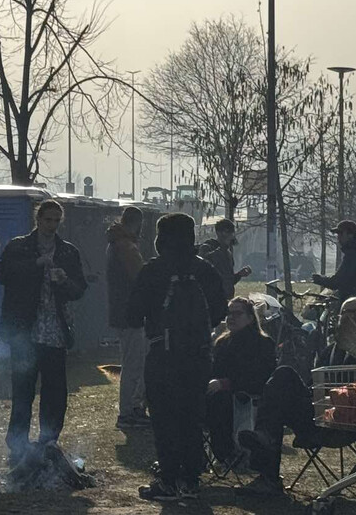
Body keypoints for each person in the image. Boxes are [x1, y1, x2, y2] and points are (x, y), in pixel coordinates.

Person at [127, 213, 226, 501]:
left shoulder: (153, 270)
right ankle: (191, 480)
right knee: (192, 418)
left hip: (163, 354)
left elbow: (132, 315)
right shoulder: (204, 269)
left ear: (161, 239)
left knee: (164, 419)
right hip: (199, 357)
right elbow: (219, 310)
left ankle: (168, 479)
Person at [238, 297, 356, 496]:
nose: (350, 317)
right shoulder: (330, 351)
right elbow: (314, 385)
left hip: (354, 418)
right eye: (345, 313)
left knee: (280, 395)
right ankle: (266, 462)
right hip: (319, 415)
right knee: (283, 377)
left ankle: (267, 468)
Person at [0, 199, 87, 467]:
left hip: (55, 330)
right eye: (48, 220)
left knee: (56, 390)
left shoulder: (68, 252)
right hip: (25, 330)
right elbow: (3, 274)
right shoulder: (19, 246)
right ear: (38, 220)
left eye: (57, 221)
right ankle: (18, 442)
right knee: (23, 388)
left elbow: (79, 289)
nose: (52, 225)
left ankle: (49, 439)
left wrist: (64, 281)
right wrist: (36, 264)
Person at [205, 297, 277, 470]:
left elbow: (260, 378)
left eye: (237, 313)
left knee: (219, 400)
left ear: (251, 318)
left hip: (247, 399)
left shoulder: (263, 343)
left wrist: (226, 384)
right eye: (228, 313)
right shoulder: (222, 343)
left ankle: (227, 454)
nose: (231, 318)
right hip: (217, 394)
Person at [106, 206, 150, 429]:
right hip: (131, 313)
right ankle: (129, 411)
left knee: (131, 362)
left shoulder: (115, 244)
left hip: (121, 312)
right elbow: (140, 277)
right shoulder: (126, 246)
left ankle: (131, 409)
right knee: (134, 365)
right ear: (138, 223)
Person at [311, 220, 356, 302]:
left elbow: (337, 281)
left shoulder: (353, 254)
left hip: (352, 300)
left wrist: (319, 279)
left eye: (341, 234)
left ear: (350, 235)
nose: (338, 238)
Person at [198, 218, 252, 300]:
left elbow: (229, 280)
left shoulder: (228, 253)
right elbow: (205, 265)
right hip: (211, 296)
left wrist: (239, 275)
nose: (230, 235)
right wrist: (222, 247)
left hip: (226, 297)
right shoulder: (207, 247)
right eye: (227, 231)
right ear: (218, 233)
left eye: (232, 232)